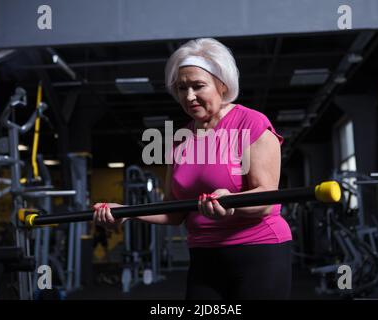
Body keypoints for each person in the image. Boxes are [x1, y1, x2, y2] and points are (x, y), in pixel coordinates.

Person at [93, 38, 292, 300]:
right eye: (181, 88)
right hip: (204, 256)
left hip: (258, 249)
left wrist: (231, 202)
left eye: (198, 86)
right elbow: (174, 212)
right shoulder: (179, 139)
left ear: (222, 85)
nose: (189, 96)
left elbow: (266, 198)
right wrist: (127, 213)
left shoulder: (250, 123)